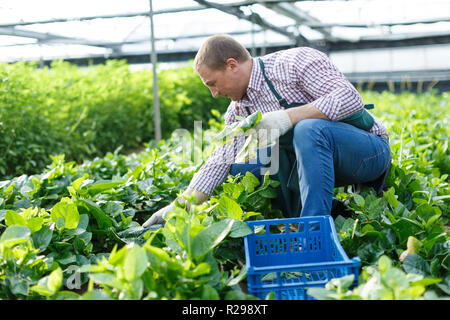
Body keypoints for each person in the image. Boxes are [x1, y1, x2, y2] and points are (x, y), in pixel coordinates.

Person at [143, 34, 391, 227]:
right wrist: (179, 205)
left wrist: (287, 117)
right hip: (319, 166)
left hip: (368, 153)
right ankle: (315, 214)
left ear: (232, 65)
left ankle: (313, 230)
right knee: (244, 168)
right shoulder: (239, 110)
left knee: (308, 129)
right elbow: (220, 161)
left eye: (213, 84)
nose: (214, 94)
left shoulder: (296, 62)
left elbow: (349, 98)